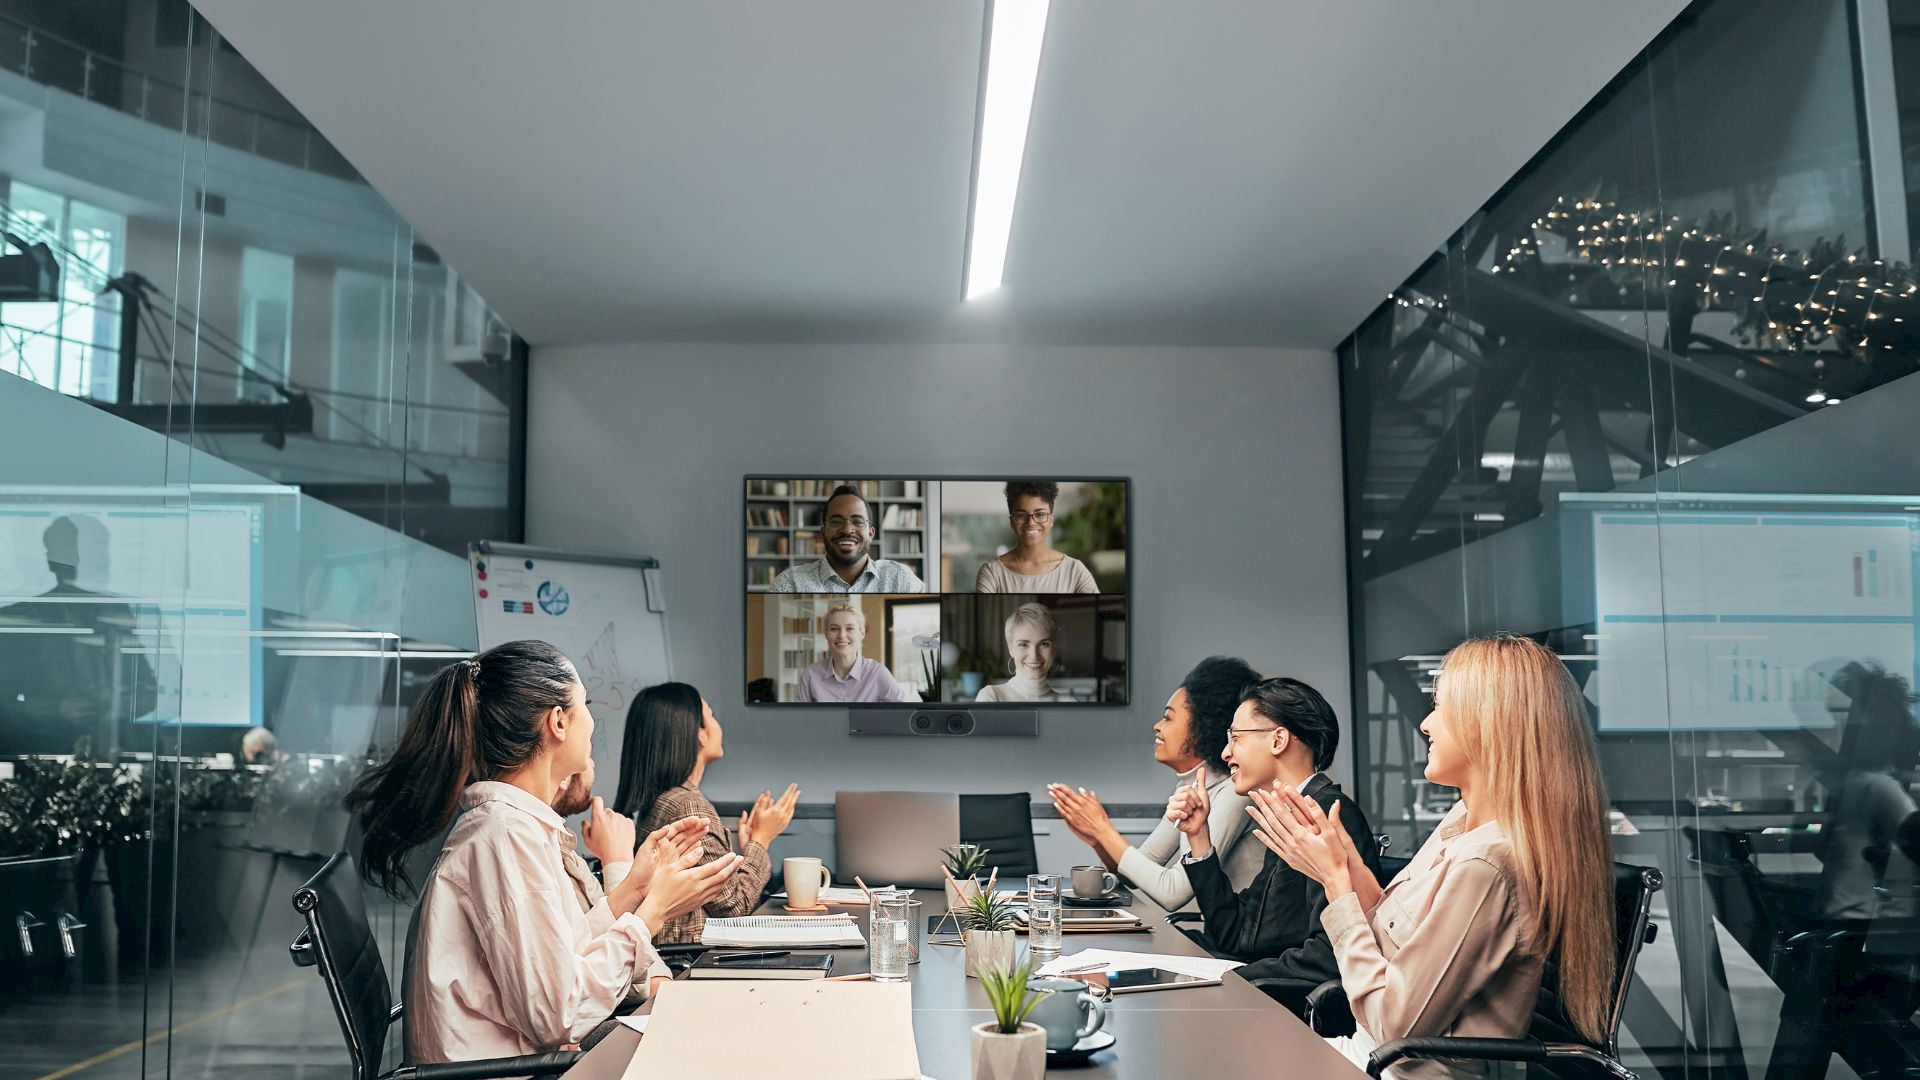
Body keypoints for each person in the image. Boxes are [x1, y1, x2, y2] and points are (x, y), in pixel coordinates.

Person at [347, 641, 742, 1065]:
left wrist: (635, 889)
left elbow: (562, 955)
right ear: (558, 721)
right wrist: (655, 911)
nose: (592, 721)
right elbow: (560, 1014)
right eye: (585, 704)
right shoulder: (504, 836)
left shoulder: (514, 828)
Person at [1254, 634, 1615, 1077]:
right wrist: (1345, 863)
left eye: (1440, 708)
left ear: (1490, 724)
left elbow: (1395, 1027)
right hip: (1361, 1052)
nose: (1425, 724)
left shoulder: (1489, 862)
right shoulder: (1463, 820)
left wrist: (1336, 885)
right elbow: (1392, 934)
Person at [1171, 677, 1378, 994]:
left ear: (1278, 740)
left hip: (1289, 1011)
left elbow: (1329, 956)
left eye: (1236, 737)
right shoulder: (1290, 812)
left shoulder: (1328, 815)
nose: (1226, 752)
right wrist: (1198, 836)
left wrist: (1236, 978)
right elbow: (1237, 934)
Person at [1048, 657, 1264, 908]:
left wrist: (1102, 829)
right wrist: (1098, 839)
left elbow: (1173, 893)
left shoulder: (1236, 793)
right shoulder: (1190, 788)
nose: (1157, 726)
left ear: (1204, 726)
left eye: (1168, 718)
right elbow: (1134, 873)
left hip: (1237, 945)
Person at [614, 682, 801, 943]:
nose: (717, 724)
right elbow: (735, 907)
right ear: (699, 734)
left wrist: (746, 850)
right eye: (710, 715)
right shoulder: (689, 807)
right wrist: (762, 839)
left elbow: (715, 897)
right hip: (693, 964)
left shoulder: (663, 801)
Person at [770, 484, 925, 593]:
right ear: (822, 532)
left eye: (857, 521)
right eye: (836, 521)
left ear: (871, 534)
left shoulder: (900, 579)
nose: (846, 530)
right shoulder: (789, 583)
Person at [974, 481, 1099, 594]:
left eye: (1040, 514)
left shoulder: (1074, 570)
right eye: (1021, 515)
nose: (1031, 523)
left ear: (1051, 520)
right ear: (1012, 521)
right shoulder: (992, 573)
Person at [794, 602, 916, 703]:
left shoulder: (877, 673)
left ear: (861, 633)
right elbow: (800, 719)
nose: (841, 635)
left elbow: (904, 711)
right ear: (826, 633)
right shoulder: (810, 674)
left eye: (849, 629)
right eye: (834, 629)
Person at [973, 602, 1073, 703]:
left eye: (1043, 644)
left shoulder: (1070, 704)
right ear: (1010, 649)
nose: (1034, 656)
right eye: (1024, 644)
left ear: (1054, 648)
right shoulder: (992, 697)